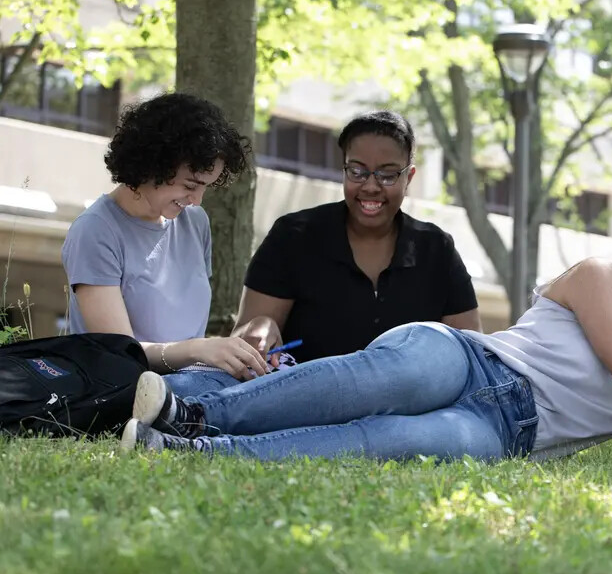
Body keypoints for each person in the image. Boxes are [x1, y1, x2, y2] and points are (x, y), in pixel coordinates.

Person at [120, 206, 612, 470]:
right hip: (469, 362)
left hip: (506, 433)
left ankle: (189, 451)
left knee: (381, 440)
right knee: (360, 387)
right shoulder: (599, 276)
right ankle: (193, 410)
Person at [167, 110, 483, 397]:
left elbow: (471, 355)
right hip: (300, 394)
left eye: (387, 175)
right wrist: (261, 327)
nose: (370, 187)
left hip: (405, 403)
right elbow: (248, 345)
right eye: (357, 171)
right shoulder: (294, 236)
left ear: (409, 177)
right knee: (204, 381)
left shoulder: (436, 249)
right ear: (343, 169)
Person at [62, 92, 269, 384]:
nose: (196, 200)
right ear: (152, 166)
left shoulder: (195, 222)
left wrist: (229, 352)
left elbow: (185, 332)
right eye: (190, 185)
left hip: (194, 381)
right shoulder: (95, 231)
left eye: (205, 187)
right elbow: (119, 353)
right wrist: (199, 350)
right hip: (132, 389)